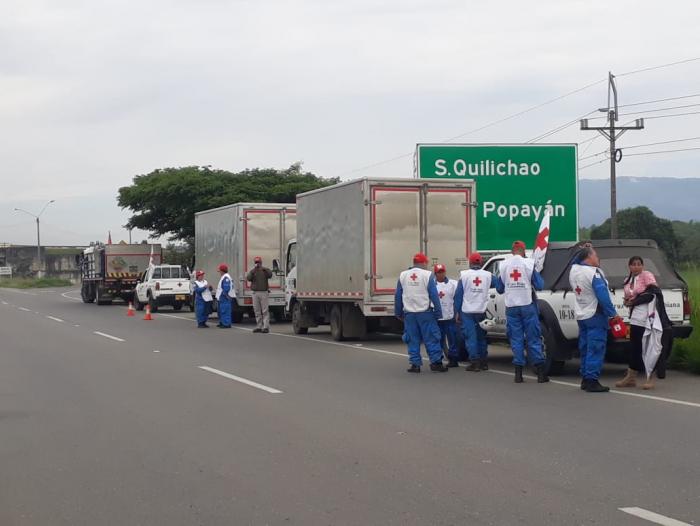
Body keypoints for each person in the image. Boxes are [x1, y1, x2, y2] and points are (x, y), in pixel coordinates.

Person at [494, 240, 548, 383]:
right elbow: (540, 285)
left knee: (516, 339)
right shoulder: (529, 263)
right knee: (533, 338)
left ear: (512, 251)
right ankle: (541, 373)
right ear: (523, 251)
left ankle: (518, 374)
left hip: (511, 306)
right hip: (527, 305)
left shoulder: (504, 265)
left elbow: (499, 288)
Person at [569, 247, 621, 393]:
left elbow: (575, 260)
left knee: (585, 348)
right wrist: (613, 314)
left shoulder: (574, 270)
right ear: (588, 257)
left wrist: (580, 252)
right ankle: (592, 380)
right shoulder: (593, 273)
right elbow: (602, 295)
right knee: (596, 347)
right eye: (595, 255)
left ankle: (585, 378)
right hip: (595, 314)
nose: (598, 258)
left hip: (582, 314)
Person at [395, 253, 449, 373]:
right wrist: (438, 312)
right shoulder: (427, 275)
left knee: (412, 339)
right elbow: (434, 295)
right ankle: (436, 363)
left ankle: (415, 365)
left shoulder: (403, 275)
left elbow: (398, 295)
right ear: (424, 263)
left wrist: (398, 312)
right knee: (432, 338)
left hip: (409, 313)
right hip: (425, 312)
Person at [617, 256, 661, 389]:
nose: (636, 267)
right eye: (633, 264)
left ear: (642, 266)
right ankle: (631, 377)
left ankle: (650, 377)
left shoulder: (647, 276)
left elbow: (652, 294)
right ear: (629, 266)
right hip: (635, 317)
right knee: (635, 347)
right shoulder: (628, 280)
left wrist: (634, 302)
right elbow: (628, 298)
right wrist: (627, 302)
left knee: (648, 346)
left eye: (639, 264)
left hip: (647, 316)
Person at [454, 252, 492, 372]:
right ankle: (484, 362)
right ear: (480, 262)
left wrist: (457, 312)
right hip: (481, 310)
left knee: (470, 337)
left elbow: (458, 296)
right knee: (481, 337)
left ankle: (474, 362)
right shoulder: (488, 275)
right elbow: (500, 287)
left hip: (467, 311)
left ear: (470, 263)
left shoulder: (464, 275)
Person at [434, 264, 459, 367]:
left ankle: (453, 359)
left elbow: (457, 299)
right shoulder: (432, 284)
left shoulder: (453, 284)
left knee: (452, 339)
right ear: (435, 273)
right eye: (439, 272)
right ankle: (438, 359)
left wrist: (457, 312)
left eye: (443, 272)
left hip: (449, 317)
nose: (441, 274)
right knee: (438, 339)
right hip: (437, 318)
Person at [246, 256, 273, 333]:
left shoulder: (265, 270)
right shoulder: (253, 271)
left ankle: (266, 327)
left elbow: (270, 275)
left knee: (265, 310)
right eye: (256, 262)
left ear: (261, 262)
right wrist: (253, 270)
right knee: (257, 310)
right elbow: (248, 278)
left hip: (264, 292)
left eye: (258, 262)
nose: (257, 264)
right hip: (255, 292)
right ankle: (259, 326)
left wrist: (264, 268)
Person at [215, 263, 235, 328]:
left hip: (224, 297)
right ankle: (223, 322)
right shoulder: (225, 277)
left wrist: (224, 295)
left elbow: (226, 288)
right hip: (222, 297)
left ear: (222, 271)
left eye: (220, 271)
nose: (219, 272)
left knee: (225, 310)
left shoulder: (226, 277)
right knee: (222, 311)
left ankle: (226, 324)